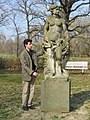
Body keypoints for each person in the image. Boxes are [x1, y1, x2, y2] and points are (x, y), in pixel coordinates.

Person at [43, 4, 69, 79]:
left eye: (58, 9)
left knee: (59, 57)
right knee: (50, 57)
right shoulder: (49, 19)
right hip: (49, 41)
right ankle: (51, 72)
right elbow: (45, 29)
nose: (58, 10)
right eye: (56, 9)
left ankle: (59, 72)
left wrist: (66, 40)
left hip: (58, 41)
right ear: (52, 10)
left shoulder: (61, 20)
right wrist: (45, 37)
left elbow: (65, 31)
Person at [20, 39, 38, 111]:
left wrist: (45, 47)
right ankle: (24, 105)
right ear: (25, 45)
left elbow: (39, 54)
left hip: (33, 74)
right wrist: (32, 72)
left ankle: (29, 104)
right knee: (25, 91)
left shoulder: (33, 52)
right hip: (27, 75)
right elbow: (24, 66)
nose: (31, 45)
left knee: (32, 90)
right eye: (30, 44)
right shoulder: (23, 54)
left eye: (31, 43)